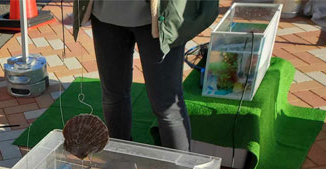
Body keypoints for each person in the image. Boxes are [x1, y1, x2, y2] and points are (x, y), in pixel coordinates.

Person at [72, 0, 218, 151]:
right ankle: (119, 160)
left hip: (162, 17)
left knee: (167, 105)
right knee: (113, 96)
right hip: (104, 15)